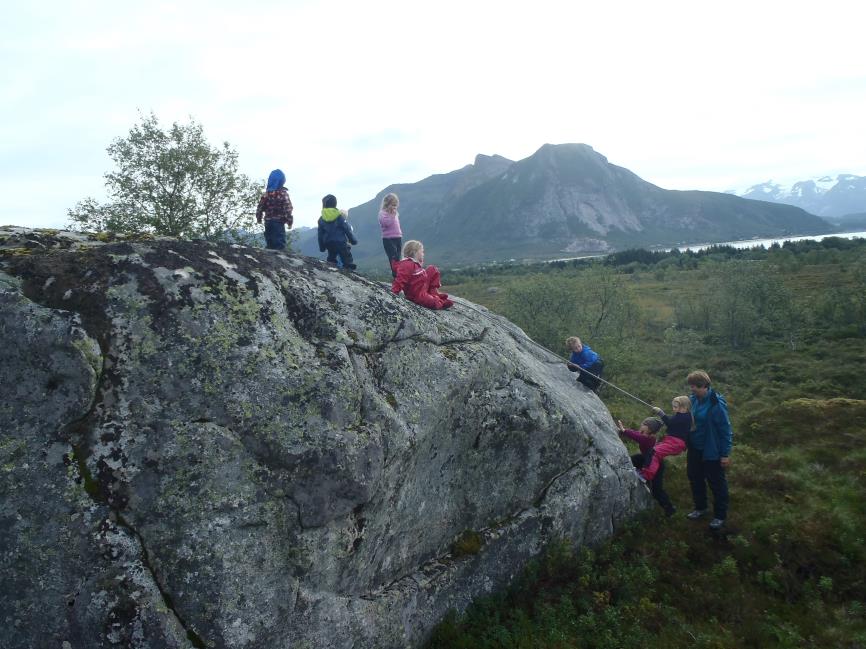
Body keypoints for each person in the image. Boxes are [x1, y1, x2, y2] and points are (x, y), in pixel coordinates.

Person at [685, 370, 733, 530]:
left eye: (695, 387)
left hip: (711, 450)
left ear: (705, 386)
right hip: (694, 448)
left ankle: (720, 516)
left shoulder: (716, 404)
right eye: (691, 386)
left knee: (717, 483)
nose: (692, 389)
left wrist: (725, 454)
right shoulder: (693, 400)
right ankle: (701, 508)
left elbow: (725, 430)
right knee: (695, 478)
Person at [617, 417, 676, 517]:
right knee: (632, 460)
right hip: (646, 460)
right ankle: (643, 476)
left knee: (657, 490)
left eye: (643, 426)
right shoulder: (646, 435)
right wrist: (624, 431)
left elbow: (638, 437)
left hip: (656, 465)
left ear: (650, 430)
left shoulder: (650, 439)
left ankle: (669, 508)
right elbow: (637, 433)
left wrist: (624, 430)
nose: (641, 427)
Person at [640, 395, 693, 481]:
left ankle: (646, 476)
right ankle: (645, 473)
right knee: (652, 451)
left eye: (675, 407)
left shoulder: (685, 417)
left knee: (655, 453)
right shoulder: (682, 416)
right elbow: (671, 422)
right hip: (672, 442)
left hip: (675, 443)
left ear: (684, 407)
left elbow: (670, 422)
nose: (673, 409)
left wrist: (660, 413)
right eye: (673, 406)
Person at [392, 240, 454, 309]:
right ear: (415, 252)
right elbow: (400, 280)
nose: (423, 254)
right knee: (433, 303)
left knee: (432, 269)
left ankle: (433, 293)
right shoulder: (407, 265)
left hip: (422, 288)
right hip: (417, 295)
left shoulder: (414, 263)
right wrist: (394, 293)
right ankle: (439, 301)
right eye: (422, 251)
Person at [317, 194, 358, 270]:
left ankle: (331, 266)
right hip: (340, 242)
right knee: (346, 256)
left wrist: (322, 247)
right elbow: (347, 229)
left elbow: (320, 234)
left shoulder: (321, 219)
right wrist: (353, 240)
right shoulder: (339, 216)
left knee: (332, 256)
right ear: (335, 203)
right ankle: (349, 268)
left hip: (328, 242)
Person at [256, 169, 293, 250]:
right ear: (282, 181)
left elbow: (260, 208)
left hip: (268, 222)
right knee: (279, 246)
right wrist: (289, 222)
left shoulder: (266, 195)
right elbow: (288, 209)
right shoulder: (283, 194)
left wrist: (259, 218)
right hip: (279, 223)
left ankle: (268, 261)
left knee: (270, 244)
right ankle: (278, 261)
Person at [378, 193, 402, 277]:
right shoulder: (382, 213)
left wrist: (393, 214)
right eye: (393, 205)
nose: (394, 207)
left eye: (396, 205)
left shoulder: (395, 213)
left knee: (398, 257)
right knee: (393, 257)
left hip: (398, 237)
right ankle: (396, 275)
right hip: (388, 239)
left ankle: (398, 275)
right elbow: (386, 224)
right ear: (387, 204)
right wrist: (392, 215)